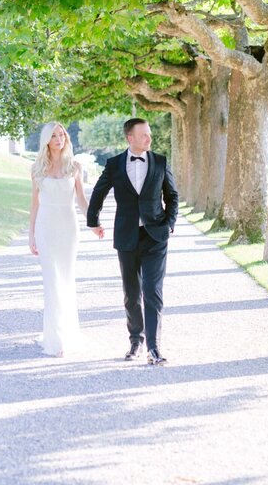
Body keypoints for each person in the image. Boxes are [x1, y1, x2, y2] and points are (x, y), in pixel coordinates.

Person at [86, 117, 179, 365]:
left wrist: (170, 223)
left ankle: (154, 347)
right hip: (127, 237)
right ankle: (135, 341)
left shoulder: (160, 162)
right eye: (144, 135)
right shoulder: (115, 164)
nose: (150, 138)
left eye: (149, 134)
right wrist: (93, 220)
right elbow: (99, 191)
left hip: (155, 236)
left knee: (152, 291)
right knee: (131, 293)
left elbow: (172, 195)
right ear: (131, 138)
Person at [28, 121, 90, 357]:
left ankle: (66, 334)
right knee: (51, 281)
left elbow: (82, 200)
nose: (59, 139)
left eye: (61, 135)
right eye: (54, 136)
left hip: (68, 226)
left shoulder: (75, 167)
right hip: (46, 227)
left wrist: (92, 221)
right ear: (46, 140)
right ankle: (54, 339)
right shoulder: (36, 169)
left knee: (65, 279)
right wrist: (31, 234)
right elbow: (34, 204)